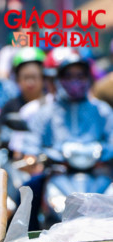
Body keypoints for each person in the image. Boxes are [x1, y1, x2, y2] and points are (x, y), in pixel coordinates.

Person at [21, 51, 113, 230]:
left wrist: (105, 154)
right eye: (69, 76)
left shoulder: (102, 111)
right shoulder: (45, 113)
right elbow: (31, 144)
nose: (75, 81)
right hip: (58, 174)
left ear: (88, 78)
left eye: (80, 76)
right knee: (27, 193)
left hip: (98, 174)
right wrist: (34, 156)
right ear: (59, 79)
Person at [0, 47, 46, 152]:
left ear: (43, 78)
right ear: (18, 79)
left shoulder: (52, 105)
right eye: (26, 77)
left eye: (34, 77)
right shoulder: (10, 106)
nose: (30, 83)